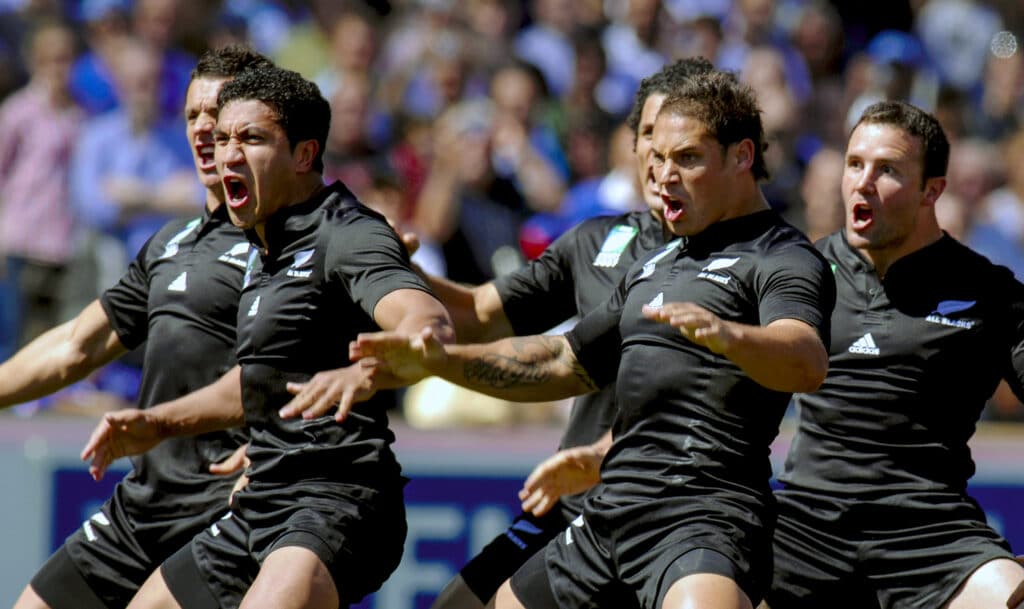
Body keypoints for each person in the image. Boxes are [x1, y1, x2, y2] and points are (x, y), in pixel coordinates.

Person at [352, 70, 835, 609]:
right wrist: (440, 361)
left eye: (687, 158)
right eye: (655, 153)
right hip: (608, 513)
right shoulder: (653, 257)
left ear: (742, 156)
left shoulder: (782, 256)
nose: (664, 172)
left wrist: (732, 337)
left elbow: (806, 359)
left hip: (702, 515)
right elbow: (562, 358)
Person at [82, 65, 454, 609]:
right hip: (263, 500)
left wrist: (374, 365)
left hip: (337, 500)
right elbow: (259, 382)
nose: (228, 153)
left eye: (251, 138)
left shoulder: (347, 233)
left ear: (304, 155)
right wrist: (158, 422)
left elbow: (427, 320)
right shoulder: (264, 245)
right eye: (224, 137)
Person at [5, 45, 273, 609]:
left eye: (219, 116)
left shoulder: (291, 242)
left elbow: (343, 357)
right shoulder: (170, 243)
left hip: (226, 507)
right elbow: (78, 346)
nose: (205, 129)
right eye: (193, 115)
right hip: (145, 505)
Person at [763, 101, 1024, 608]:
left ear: (932, 191)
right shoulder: (799, 273)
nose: (863, 181)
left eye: (887, 170)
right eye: (855, 164)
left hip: (930, 534)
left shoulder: (990, 292)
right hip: (803, 530)